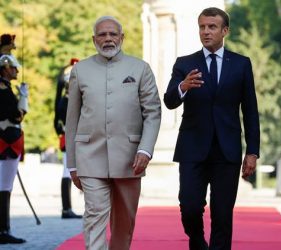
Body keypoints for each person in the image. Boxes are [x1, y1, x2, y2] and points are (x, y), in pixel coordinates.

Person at [164, 7, 260, 250]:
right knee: (190, 206)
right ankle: (196, 241)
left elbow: (250, 111)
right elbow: (169, 100)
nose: (206, 32)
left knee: (222, 214)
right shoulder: (185, 63)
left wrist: (252, 152)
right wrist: (183, 87)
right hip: (192, 149)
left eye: (212, 27)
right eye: (202, 27)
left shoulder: (241, 64)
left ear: (225, 30)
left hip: (226, 150)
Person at [65, 16, 161, 249]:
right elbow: (72, 118)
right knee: (95, 214)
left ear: (121, 37)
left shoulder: (140, 68)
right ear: (94, 39)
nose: (108, 38)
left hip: (130, 159)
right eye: (102, 34)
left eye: (112, 34)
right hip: (90, 155)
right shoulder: (80, 70)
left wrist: (145, 150)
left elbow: (153, 113)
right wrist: (73, 164)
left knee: (124, 223)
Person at [0, 54, 28, 244]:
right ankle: (3, 229)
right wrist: (24, 98)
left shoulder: (6, 88)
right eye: (13, 68)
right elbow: (17, 117)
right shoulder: (4, 90)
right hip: (6, 140)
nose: (16, 71)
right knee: (4, 187)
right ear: (5, 68)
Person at [54, 58, 82, 219]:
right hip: (70, 138)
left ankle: (68, 208)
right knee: (67, 172)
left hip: (74, 138)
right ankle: (66, 208)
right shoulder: (66, 101)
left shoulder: (69, 100)